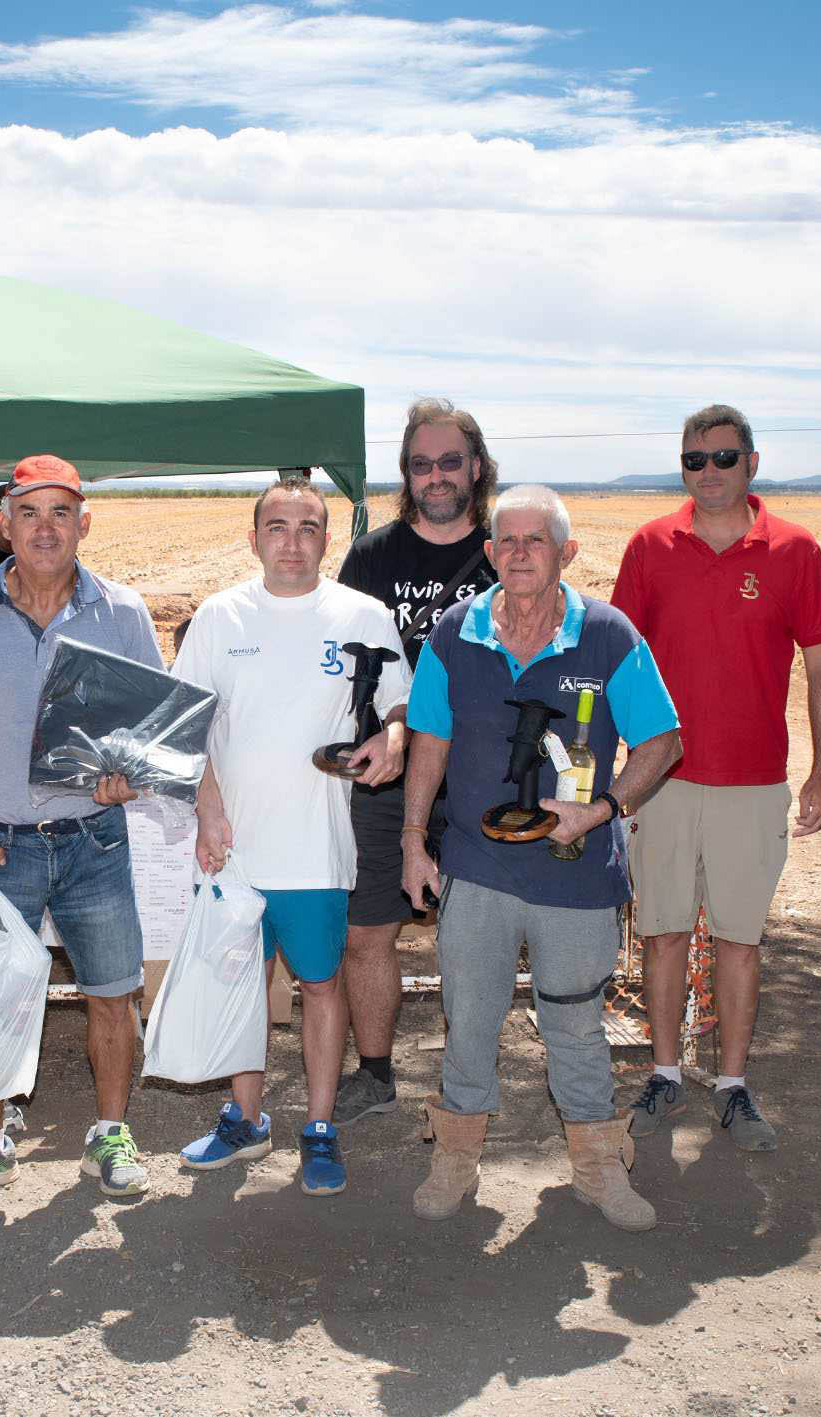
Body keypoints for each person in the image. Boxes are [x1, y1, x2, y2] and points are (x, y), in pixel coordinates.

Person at [401, 485, 681, 1230]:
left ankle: (596, 1164)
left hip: (575, 872)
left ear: (567, 552)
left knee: (575, 1021)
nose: (519, 553)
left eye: (536, 541)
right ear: (490, 552)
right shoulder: (456, 632)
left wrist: (601, 809)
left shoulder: (610, 634)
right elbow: (428, 739)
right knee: (468, 1018)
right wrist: (411, 840)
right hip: (476, 867)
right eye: (507, 541)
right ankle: (456, 1158)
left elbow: (662, 740)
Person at [0, 453, 160, 1202]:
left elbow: (150, 726)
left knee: (112, 993)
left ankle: (110, 1133)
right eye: (29, 512)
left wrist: (131, 775)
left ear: (84, 523)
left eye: (61, 513)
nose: (45, 528)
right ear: (3, 523)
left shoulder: (123, 610)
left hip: (95, 837)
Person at [171, 475, 410, 1197]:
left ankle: (320, 1127)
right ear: (253, 538)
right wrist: (208, 810)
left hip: (316, 849)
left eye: (308, 528)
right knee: (241, 989)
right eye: (278, 526)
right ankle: (246, 1120)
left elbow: (401, 704)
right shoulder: (219, 617)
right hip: (233, 851)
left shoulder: (363, 614)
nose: (293, 542)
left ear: (327, 540)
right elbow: (186, 729)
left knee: (321, 983)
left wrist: (394, 739)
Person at [612, 403, 821, 1152]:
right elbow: (618, 659)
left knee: (741, 940)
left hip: (753, 782)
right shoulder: (650, 545)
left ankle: (735, 1086)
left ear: (751, 462)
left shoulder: (796, 550)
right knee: (664, 932)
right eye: (693, 459)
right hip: (662, 781)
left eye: (722, 457)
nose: (707, 471)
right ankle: (667, 1070)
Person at [330, 400, 499, 1126]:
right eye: (421, 464)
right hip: (385, 775)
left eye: (450, 462)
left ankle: (469, 1084)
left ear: (477, 468)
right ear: (405, 474)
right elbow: (335, 658)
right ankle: (374, 1071)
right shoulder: (373, 558)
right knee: (367, 931)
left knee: (478, 937)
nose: (436, 476)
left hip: (482, 776)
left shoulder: (507, 552)